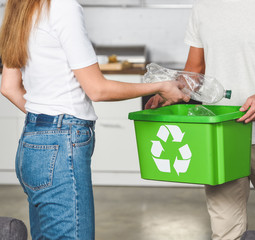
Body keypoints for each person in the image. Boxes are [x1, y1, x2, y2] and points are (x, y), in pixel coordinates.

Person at [0, 0, 189, 239]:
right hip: (60, 148)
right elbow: (97, 89)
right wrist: (161, 86)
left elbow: (8, 87)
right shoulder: (63, 7)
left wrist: (47, 122)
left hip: (31, 144)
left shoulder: (19, 9)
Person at [146, 0, 255, 239]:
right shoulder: (203, 6)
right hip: (219, 139)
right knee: (225, 232)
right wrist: (171, 92)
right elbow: (195, 70)